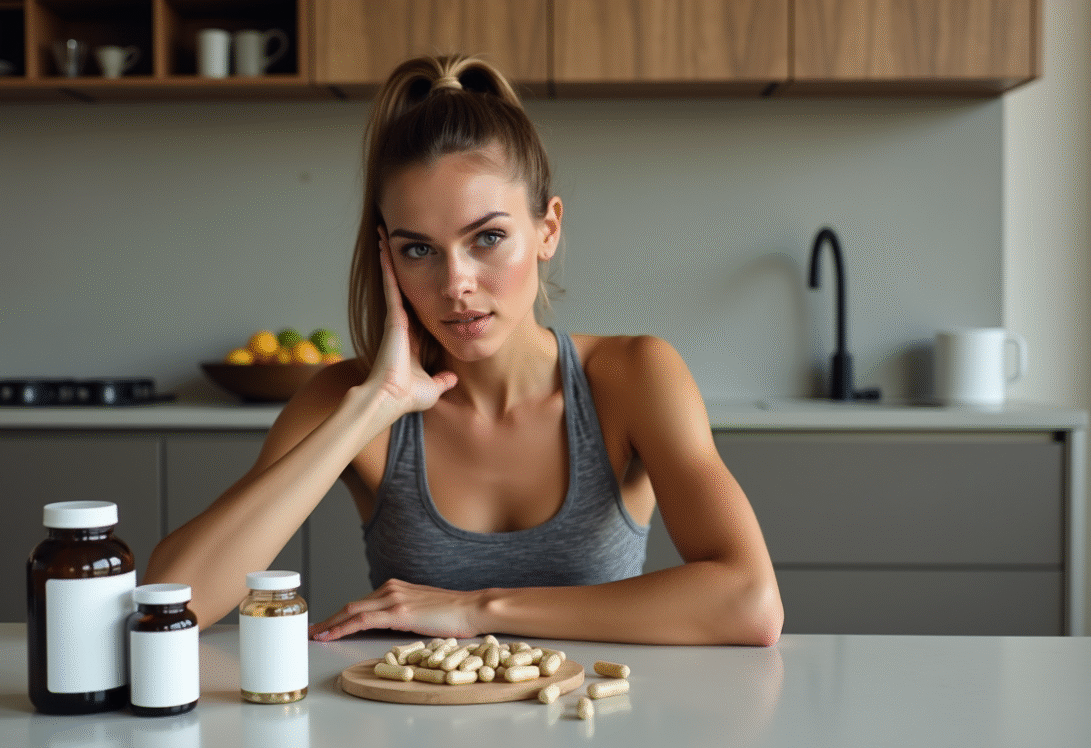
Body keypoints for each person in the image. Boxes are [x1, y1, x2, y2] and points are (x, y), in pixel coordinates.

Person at [145, 54, 783, 646]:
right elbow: (176, 598)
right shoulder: (350, 399)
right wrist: (373, 407)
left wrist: (477, 609)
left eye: (488, 238)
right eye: (418, 249)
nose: (455, 285)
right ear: (386, 255)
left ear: (547, 228)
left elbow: (750, 602)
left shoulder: (634, 376)